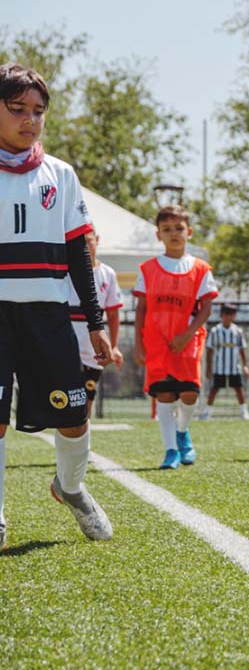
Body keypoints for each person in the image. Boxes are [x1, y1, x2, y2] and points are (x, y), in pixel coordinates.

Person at [0, 63, 114, 550]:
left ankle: (69, 488)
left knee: (74, 416)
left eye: (38, 111)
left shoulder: (61, 175)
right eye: (17, 109)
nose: (30, 119)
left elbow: (78, 259)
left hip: (48, 315)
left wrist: (96, 322)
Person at [134, 205, 218, 470]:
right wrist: (138, 343)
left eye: (179, 228)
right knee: (165, 395)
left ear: (189, 232)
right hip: (157, 342)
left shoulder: (201, 269)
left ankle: (183, 432)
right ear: (158, 235)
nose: (173, 234)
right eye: (167, 229)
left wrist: (187, 334)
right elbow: (141, 308)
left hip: (187, 341)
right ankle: (171, 450)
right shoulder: (148, 269)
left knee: (189, 393)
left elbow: (206, 307)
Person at [68, 229, 125, 417]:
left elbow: (113, 313)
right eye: (80, 242)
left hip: (93, 339)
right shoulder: (66, 271)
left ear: (97, 240)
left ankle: (85, 426)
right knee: (67, 390)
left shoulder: (107, 273)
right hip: (68, 337)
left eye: (88, 240)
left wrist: (114, 346)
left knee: (89, 391)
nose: (84, 246)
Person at [203, 303, 249, 420]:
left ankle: (244, 412)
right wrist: (208, 367)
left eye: (232, 314)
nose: (229, 317)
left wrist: (245, 365)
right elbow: (209, 350)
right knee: (214, 389)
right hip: (219, 366)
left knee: (239, 388)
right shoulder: (215, 331)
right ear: (222, 315)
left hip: (234, 367)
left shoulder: (238, 331)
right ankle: (207, 412)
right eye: (226, 314)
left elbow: (242, 349)